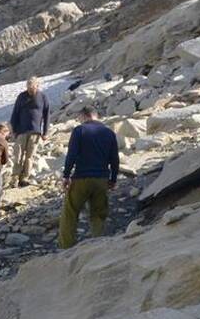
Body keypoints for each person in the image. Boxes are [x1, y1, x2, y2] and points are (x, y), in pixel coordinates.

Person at [59, 106, 119, 248]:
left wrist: (66, 175)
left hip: (81, 177)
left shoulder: (79, 130)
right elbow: (114, 159)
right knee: (98, 213)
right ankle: (97, 245)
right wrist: (113, 179)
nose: (79, 121)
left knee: (70, 212)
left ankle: (66, 246)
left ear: (84, 116)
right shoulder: (109, 133)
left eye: (79, 118)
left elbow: (72, 155)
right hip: (101, 179)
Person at [8, 77, 50, 187]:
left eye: (32, 87)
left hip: (35, 132)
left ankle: (25, 178)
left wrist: (45, 132)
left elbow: (46, 116)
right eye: (28, 87)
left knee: (30, 156)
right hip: (21, 131)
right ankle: (15, 178)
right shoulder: (21, 97)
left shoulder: (43, 97)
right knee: (18, 155)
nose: (30, 90)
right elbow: (15, 114)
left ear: (37, 86)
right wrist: (13, 130)